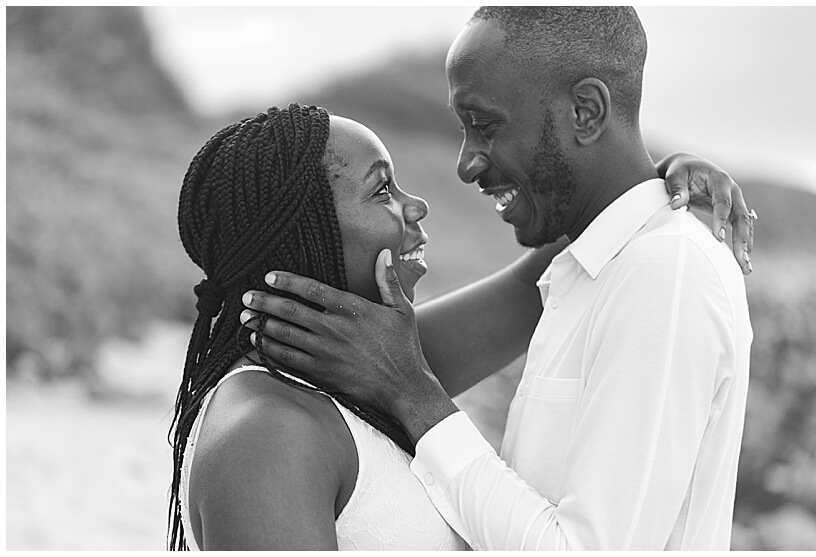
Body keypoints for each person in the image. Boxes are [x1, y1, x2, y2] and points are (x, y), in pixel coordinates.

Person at [241, 7, 754, 550]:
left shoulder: (664, 272)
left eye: (484, 126)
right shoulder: (588, 269)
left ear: (585, 112)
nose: (464, 166)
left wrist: (415, 397)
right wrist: (649, 181)